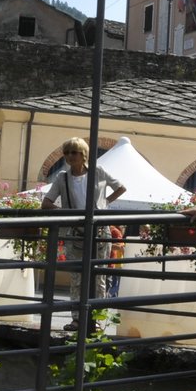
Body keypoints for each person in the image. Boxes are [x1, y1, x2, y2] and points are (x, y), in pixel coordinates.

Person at [42, 137, 127, 333]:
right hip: (75, 232)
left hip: (99, 231)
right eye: (67, 152)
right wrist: (66, 213)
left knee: (99, 277)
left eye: (75, 152)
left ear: (84, 155)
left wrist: (104, 205)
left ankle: (95, 319)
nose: (70, 156)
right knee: (77, 277)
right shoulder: (62, 177)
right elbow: (46, 203)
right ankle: (77, 319)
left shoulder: (98, 172)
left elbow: (121, 187)